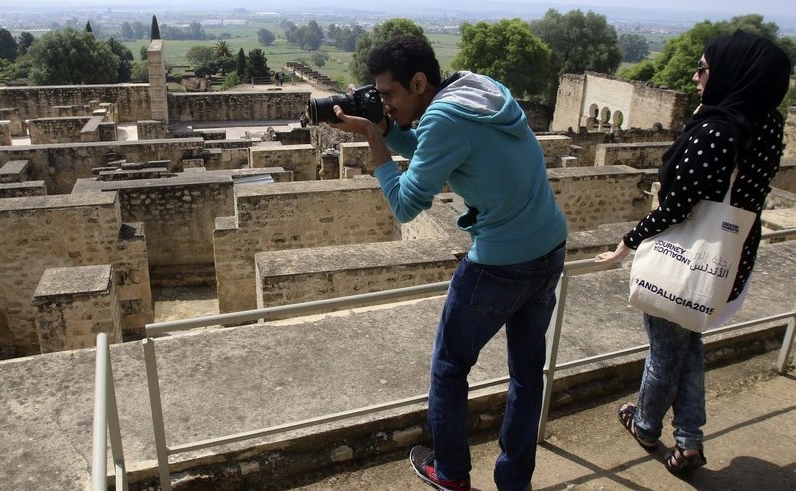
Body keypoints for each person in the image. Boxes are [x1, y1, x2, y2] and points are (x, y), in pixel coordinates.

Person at [332, 35, 567, 491]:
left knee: (449, 368)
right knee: (526, 374)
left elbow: (405, 205)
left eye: (389, 94)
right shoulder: (479, 90)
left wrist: (373, 136)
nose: (384, 103)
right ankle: (514, 482)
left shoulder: (442, 118)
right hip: (549, 247)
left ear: (419, 83)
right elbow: (433, 145)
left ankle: (452, 473)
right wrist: (387, 126)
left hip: (500, 263)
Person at [595, 30, 790, 474]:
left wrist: (628, 242)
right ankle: (688, 440)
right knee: (688, 342)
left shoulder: (717, 132)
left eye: (703, 68)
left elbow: (676, 207)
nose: (695, 77)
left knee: (666, 348)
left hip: (684, 258)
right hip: (727, 260)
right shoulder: (766, 124)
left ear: (732, 73)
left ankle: (646, 425)